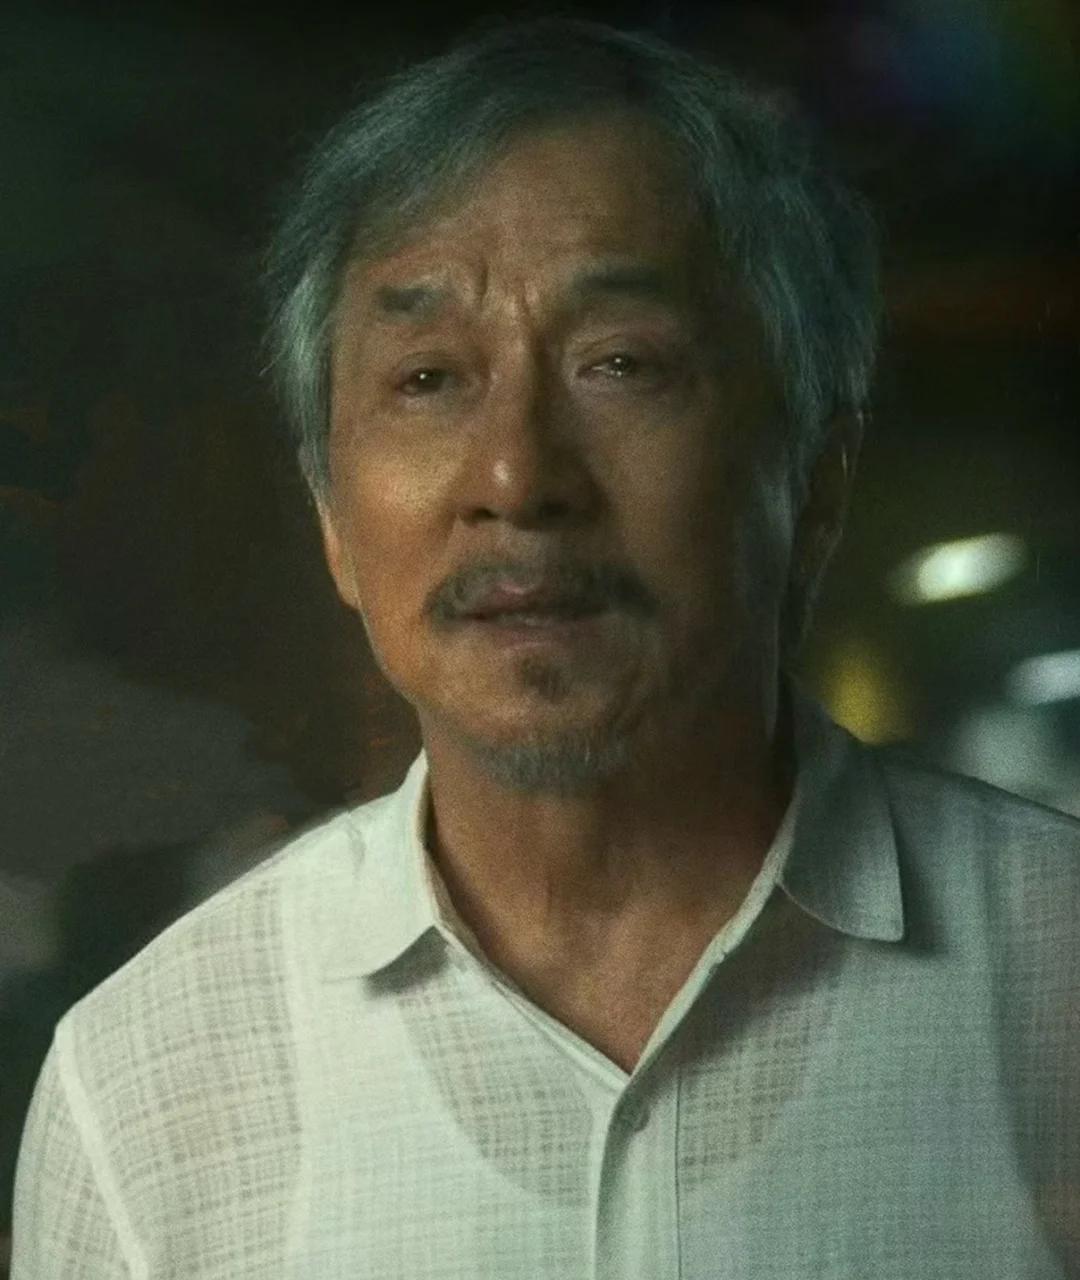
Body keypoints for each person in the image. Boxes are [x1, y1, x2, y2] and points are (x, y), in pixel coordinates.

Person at [11, 17, 1079, 1278]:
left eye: (619, 362)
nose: (517, 477)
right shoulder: (147, 1084)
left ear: (816, 481)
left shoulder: (1055, 970)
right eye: (426, 378)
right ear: (332, 518)